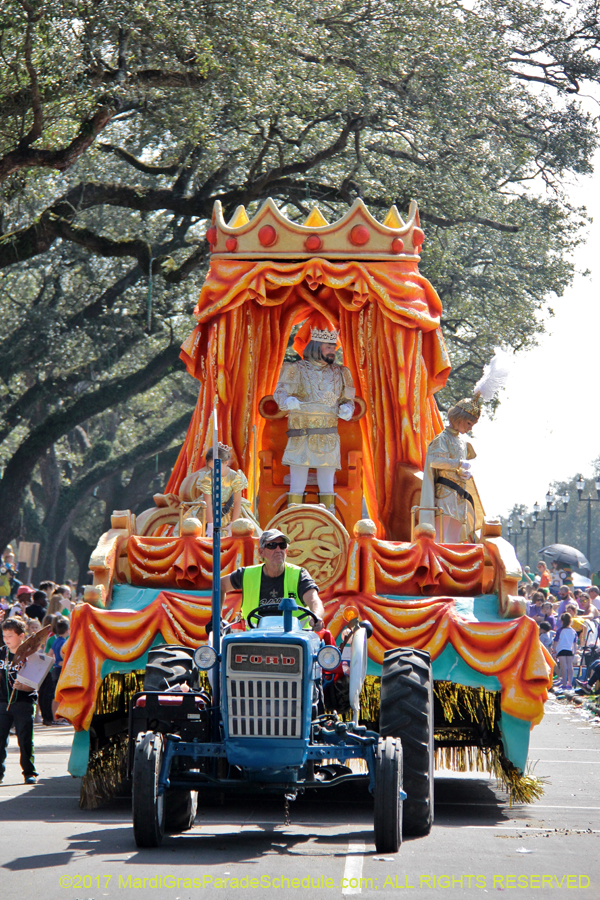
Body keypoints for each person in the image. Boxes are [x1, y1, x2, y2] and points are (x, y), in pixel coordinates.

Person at [273, 320, 355, 513]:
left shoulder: (342, 372)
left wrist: (347, 408)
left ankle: (329, 523)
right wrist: (287, 402)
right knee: (297, 486)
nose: (332, 350)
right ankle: (293, 520)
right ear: (317, 346)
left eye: (334, 347)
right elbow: (280, 393)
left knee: (327, 487)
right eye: (328, 347)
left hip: (328, 435)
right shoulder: (296, 369)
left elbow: (347, 399)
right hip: (301, 435)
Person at [220, 528, 325, 628]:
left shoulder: (299, 575)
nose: (278, 549)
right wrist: (217, 619)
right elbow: (220, 586)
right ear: (261, 552)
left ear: (286, 551)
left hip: (295, 640)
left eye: (282, 545)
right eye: (272, 545)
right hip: (255, 640)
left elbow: (314, 600)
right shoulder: (246, 574)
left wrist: (317, 617)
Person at [420, 399, 483, 542]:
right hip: (445, 493)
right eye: (469, 423)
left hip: (460, 495)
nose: (470, 428)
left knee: (455, 539)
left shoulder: (462, 442)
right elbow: (434, 461)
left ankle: (451, 563)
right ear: (459, 418)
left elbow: (454, 466)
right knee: (439, 537)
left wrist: (462, 472)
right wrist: (459, 463)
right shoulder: (442, 438)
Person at [176, 443, 259, 538]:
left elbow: (237, 502)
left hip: (232, 511)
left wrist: (233, 524)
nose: (214, 471)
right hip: (208, 511)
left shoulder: (235, 477)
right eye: (211, 468)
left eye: (217, 468)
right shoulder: (207, 478)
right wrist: (210, 525)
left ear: (226, 463)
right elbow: (208, 502)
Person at [0, 617, 38, 784]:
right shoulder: (1, 652)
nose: (6, 639)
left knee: (24, 739)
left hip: (24, 702)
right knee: (0, 739)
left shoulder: (30, 656)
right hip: (2, 701)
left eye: (10, 636)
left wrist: (25, 686)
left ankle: (29, 772)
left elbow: (35, 682)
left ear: (21, 636)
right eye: (4, 636)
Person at [552, 612, 578, 690]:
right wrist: (575, 651)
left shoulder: (560, 630)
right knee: (570, 667)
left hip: (561, 650)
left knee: (564, 667)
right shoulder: (573, 631)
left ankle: (564, 683)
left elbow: (556, 641)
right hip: (570, 650)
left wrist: (554, 650)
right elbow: (574, 643)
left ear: (562, 621)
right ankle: (570, 683)